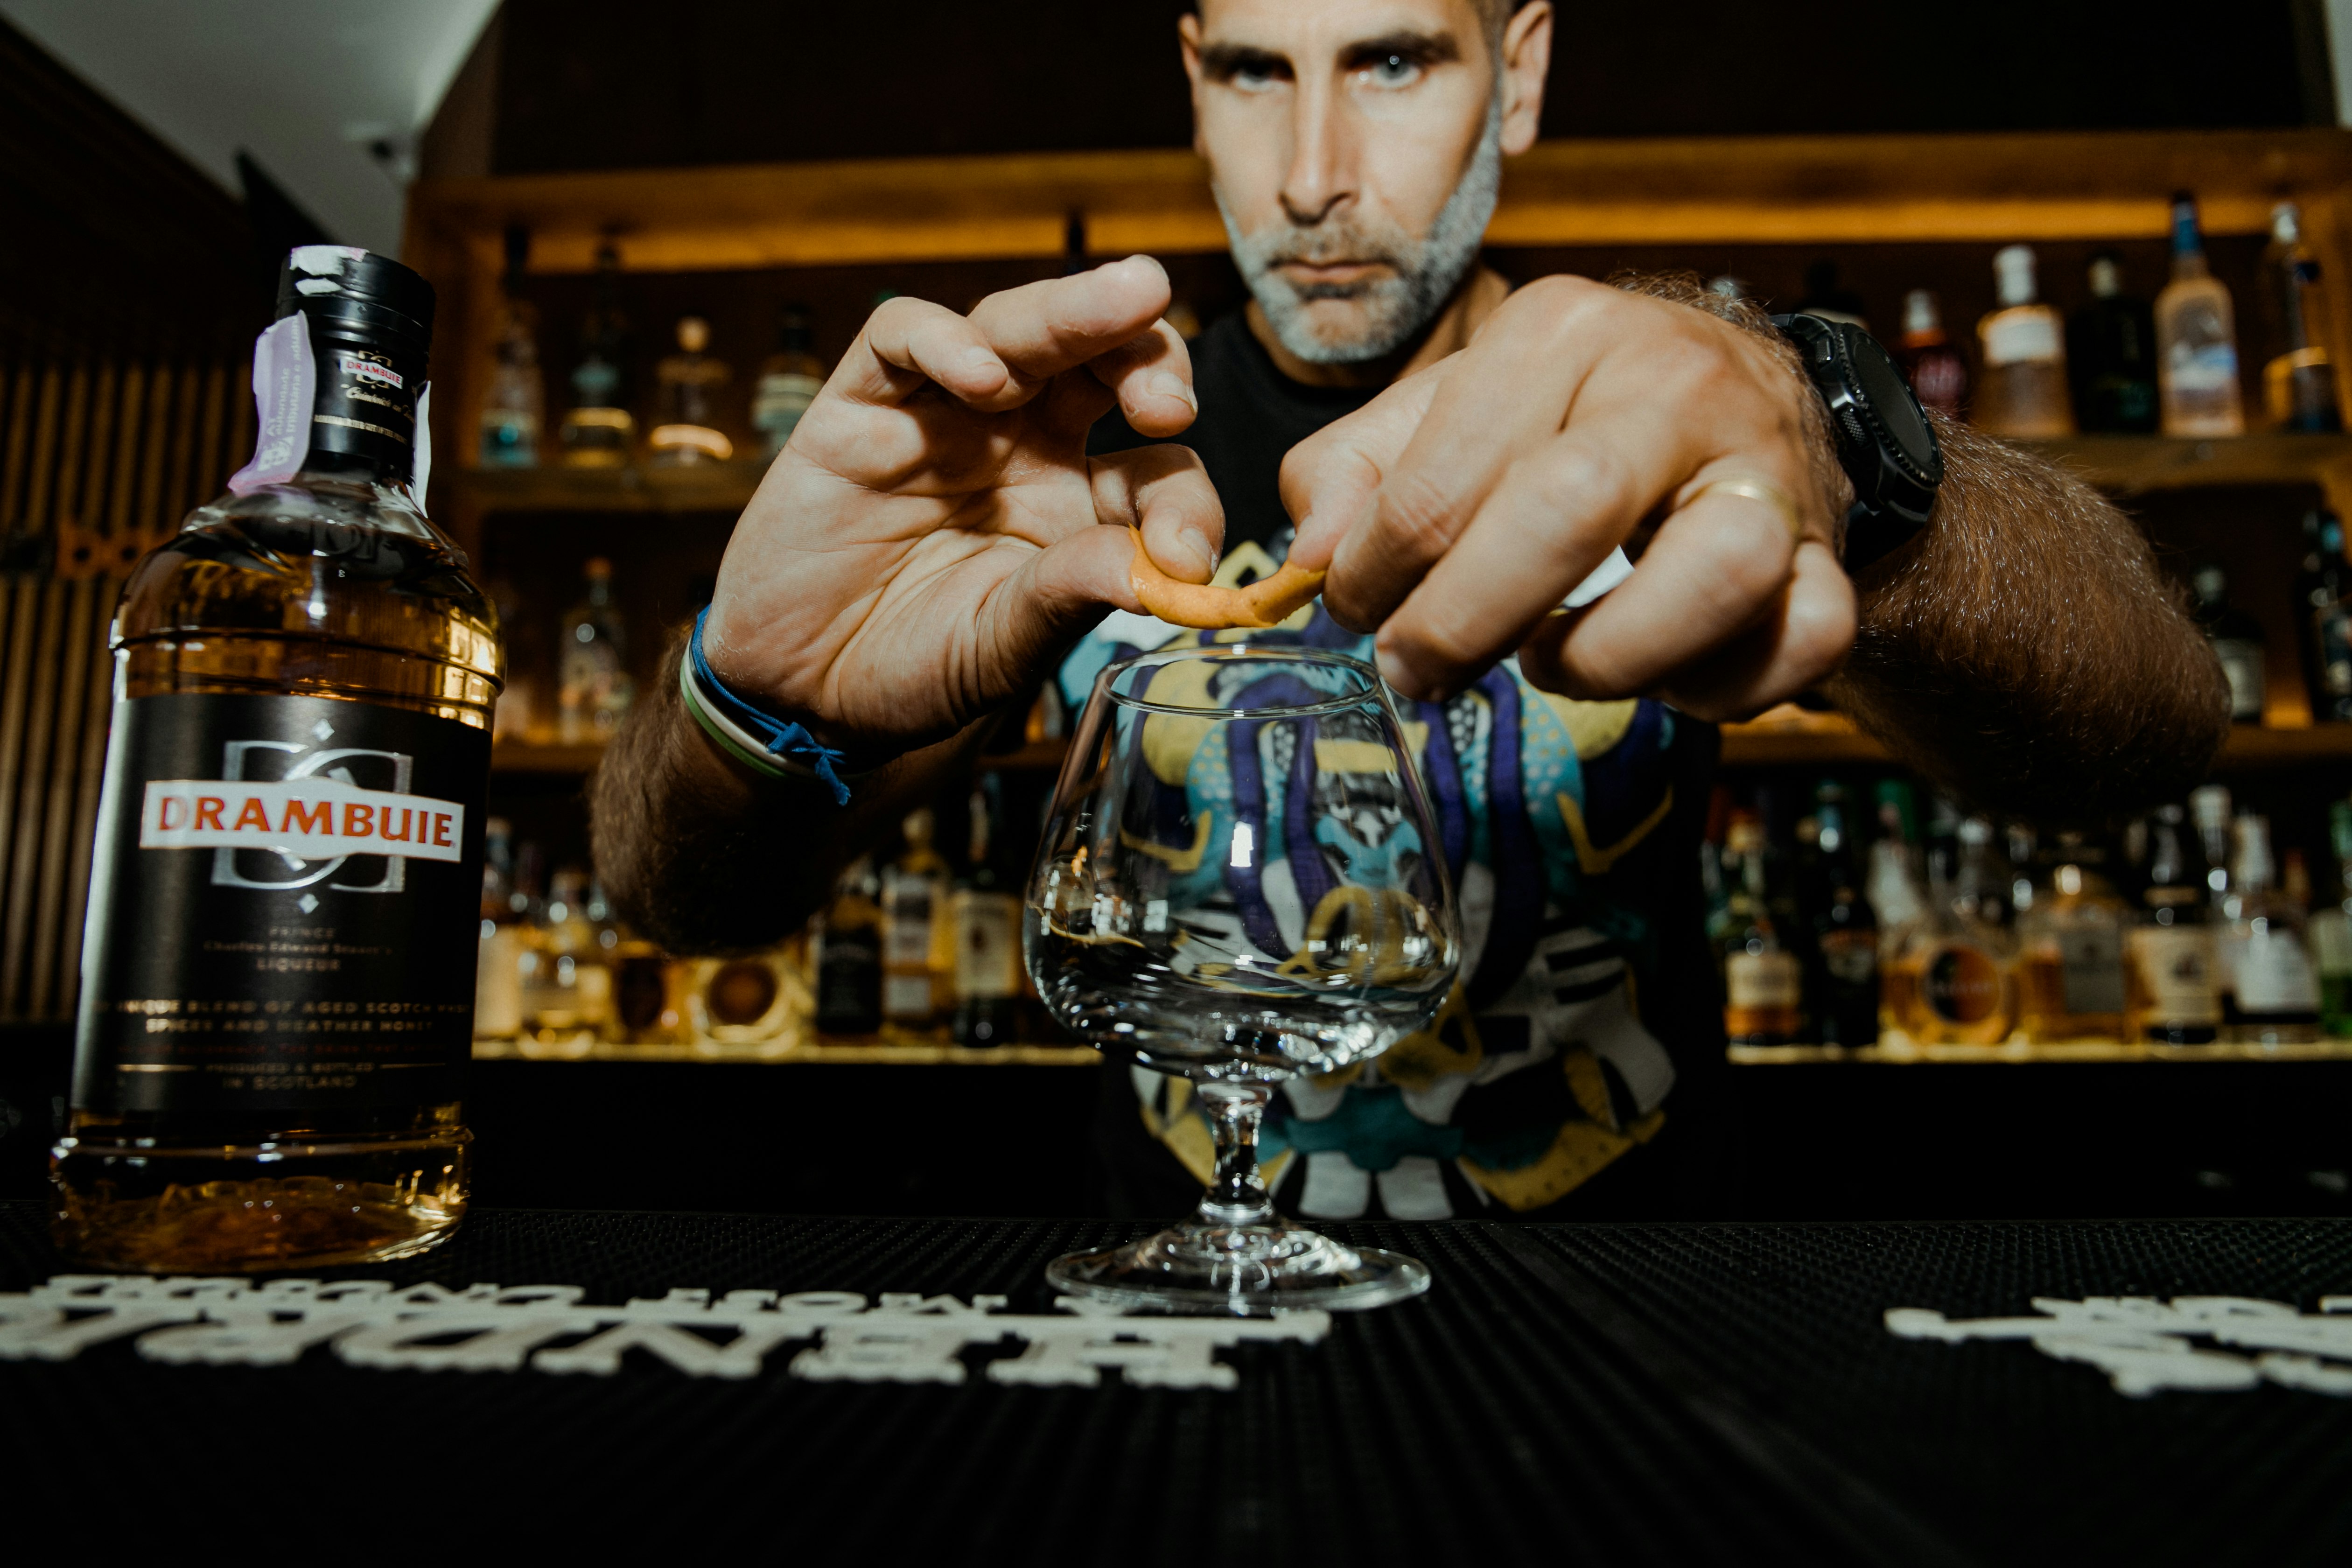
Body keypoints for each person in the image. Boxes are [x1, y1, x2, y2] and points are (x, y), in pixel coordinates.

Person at [593, 0, 2228, 1220]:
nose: (1314, 178)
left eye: (1391, 61)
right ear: (1191, 76)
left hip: (1637, 1333)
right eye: (1255, 72)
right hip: (1177, 1324)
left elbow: (2150, 735)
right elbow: (686, 909)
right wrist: (757, 699)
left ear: (1516, 70)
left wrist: (1838, 451)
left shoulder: (1660, 411)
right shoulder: (1064, 459)